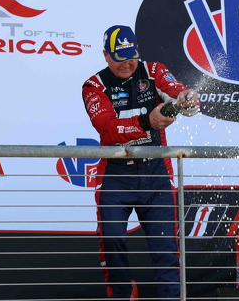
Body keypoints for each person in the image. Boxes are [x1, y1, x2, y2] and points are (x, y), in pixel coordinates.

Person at [81, 25, 201, 300]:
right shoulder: (93, 86)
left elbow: (175, 90)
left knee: (166, 248)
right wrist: (147, 122)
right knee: (112, 242)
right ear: (105, 55)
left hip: (156, 172)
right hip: (115, 175)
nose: (127, 64)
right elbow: (107, 130)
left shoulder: (154, 71)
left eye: (131, 57)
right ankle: (122, 295)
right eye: (119, 58)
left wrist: (187, 98)